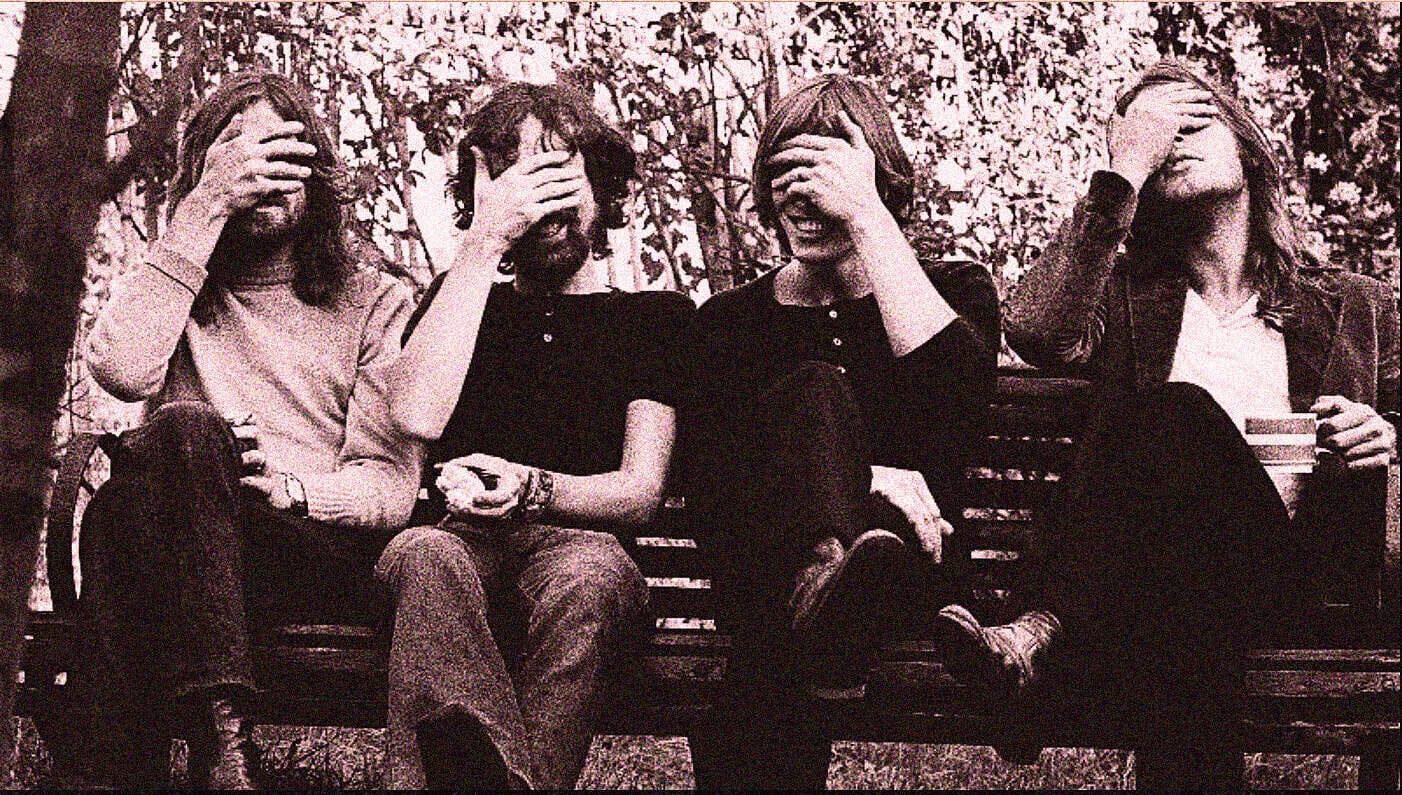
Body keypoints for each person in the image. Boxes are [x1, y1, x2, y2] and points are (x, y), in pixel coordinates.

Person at [942, 59, 1399, 789]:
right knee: (1184, 621)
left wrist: (1387, 441)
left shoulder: (1358, 304)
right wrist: (1120, 174)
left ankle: (1042, 631)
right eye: (1153, 139)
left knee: (1175, 412)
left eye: (1190, 121)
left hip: (1302, 576)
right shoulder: (1127, 300)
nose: (1171, 141)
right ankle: (1046, 635)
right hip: (1163, 582)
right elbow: (1034, 330)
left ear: (1248, 149)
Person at [74, 72, 420, 789]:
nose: (261, 177)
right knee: (164, 460)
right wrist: (202, 210)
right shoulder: (178, 285)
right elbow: (122, 372)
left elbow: (391, 482)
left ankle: (120, 769)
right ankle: (223, 745)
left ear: (318, 174)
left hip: (307, 554)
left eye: (281, 155)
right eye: (239, 158)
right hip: (187, 555)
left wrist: (291, 488)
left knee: (138, 490)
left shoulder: (375, 299)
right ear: (207, 175)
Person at [682, 75, 1000, 789]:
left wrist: (869, 219)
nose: (802, 199)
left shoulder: (951, 292)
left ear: (877, 181)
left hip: (910, 572)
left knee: (783, 634)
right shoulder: (727, 323)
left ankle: (837, 588)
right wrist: (863, 477)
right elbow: (712, 497)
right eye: (784, 177)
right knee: (814, 388)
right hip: (770, 574)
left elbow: (959, 412)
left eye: (824, 177)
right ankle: (825, 582)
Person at [374, 81, 694, 790]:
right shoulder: (457, 300)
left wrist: (530, 487)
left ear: (601, 187)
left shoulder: (654, 319)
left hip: (584, 555)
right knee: (424, 552)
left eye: (559, 172)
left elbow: (639, 490)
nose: (542, 201)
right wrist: (485, 241)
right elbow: (418, 415)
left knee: (589, 575)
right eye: (521, 178)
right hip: (460, 546)